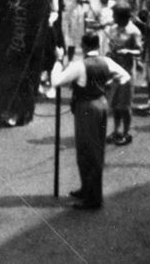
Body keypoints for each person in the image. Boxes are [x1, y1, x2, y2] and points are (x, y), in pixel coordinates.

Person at [50, 32, 131, 211]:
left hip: (86, 108)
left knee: (89, 151)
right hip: (100, 104)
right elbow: (125, 76)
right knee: (90, 149)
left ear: (83, 46)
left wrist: (58, 60)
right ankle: (87, 188)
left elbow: (55, 81)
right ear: (97, 44)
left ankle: (93, 199)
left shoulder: (79, 65)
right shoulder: (106, 62)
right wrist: (109, 85)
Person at [105, 5, 142, 145]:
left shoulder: (134, 31)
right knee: (115, 104)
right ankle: (116, 130)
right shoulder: (113, 29)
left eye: (115, 15)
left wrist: (128, 51)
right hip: (114, 71)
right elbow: (110, 47)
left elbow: (139, 51)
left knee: (125, 105)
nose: (113, 18)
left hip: (126, 72)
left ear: (123, 16)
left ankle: (126, 133)